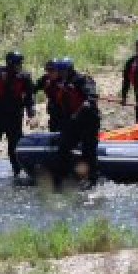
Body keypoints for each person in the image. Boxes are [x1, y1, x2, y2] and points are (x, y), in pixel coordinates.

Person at [0, 51, 35, 183]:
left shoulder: (24, 76)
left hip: (15, 115)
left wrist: (31, 113)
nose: (19, 66)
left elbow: (29, 97)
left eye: (20, 63)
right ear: (9, 63)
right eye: (16, 64)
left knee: (15, 144)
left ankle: (17, 171)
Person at [49, 58, 101, 189]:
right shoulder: (61, 82)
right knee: (63, 148)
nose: (61, 73)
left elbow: (91, 97)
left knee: (88, 151)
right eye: (59, 71)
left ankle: (91, 179)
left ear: (69, 70)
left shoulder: (83, 80)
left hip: (89, 120)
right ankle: (60, 178)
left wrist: (85, 104)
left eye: (63, 71)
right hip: (73, 122)